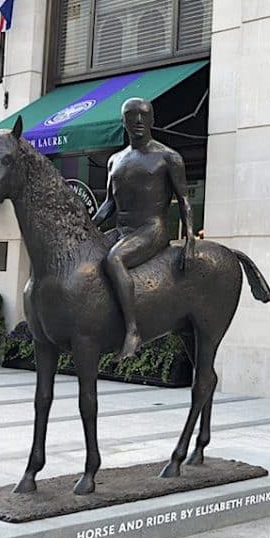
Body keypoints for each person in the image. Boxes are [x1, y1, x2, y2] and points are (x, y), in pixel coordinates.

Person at [92, 97, 195, 359]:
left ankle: (132, 331)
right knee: (87, 256)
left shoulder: (168, 157)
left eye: (143, 115)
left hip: (151, 229)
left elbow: (184, 199)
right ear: (123, 121)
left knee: (114, 259)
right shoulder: (115, 160)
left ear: (152, 120)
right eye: (132, 115)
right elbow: (109, 204)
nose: (138, 121)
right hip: (122, 230)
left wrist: (190, 240)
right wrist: (88, 228)